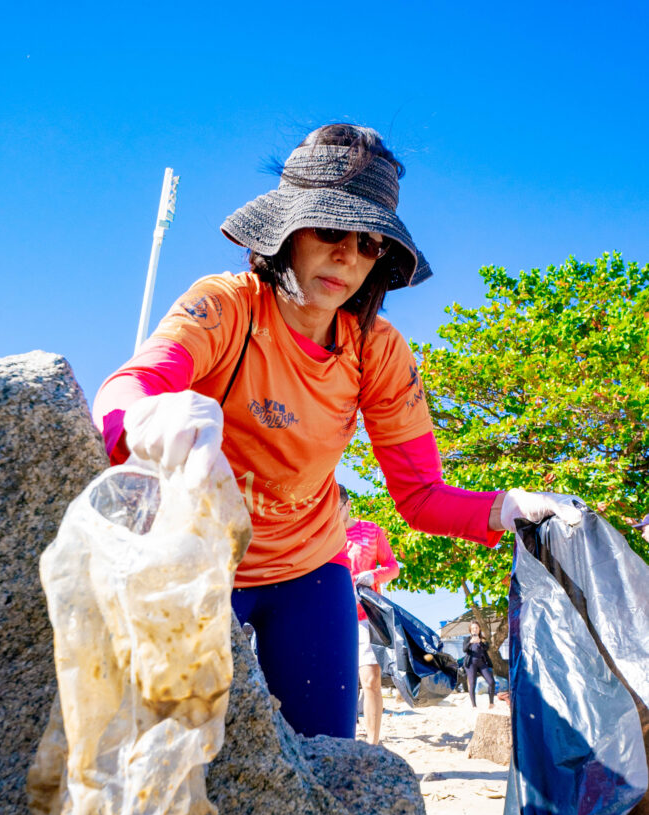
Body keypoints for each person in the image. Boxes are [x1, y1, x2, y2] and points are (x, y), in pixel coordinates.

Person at [93, 122, 582, 741]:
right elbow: (132, 385)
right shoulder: (227, 306)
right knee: (172, 753)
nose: (348, 256)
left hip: (308, 569)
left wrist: (507, 507)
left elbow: (420, 496)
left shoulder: (376, 349)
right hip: (196, 558)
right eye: (329, 230)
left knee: (328, 755)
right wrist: (146, 418)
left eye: (370, 242)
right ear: (286, 232)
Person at [339, 484, 399, 745]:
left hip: (366, 616)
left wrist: (373, 575)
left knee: (371, 680)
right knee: (339, 682)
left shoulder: (371, 530)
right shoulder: (322, 534)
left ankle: (373, 744)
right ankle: (343, 740)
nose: (331, 515)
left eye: (336, 509)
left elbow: (393, 567)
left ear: (348, 505)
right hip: (334, 616)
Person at [462, 621, 496, 710]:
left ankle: (491, 703)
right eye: (473, 628)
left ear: (479, 629)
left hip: (482, 663)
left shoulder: (483, 639)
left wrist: (480, 642)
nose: (475, 629)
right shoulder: (467, 639)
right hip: (470, 664)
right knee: (472, 684)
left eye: (476, 627)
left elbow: (487, 648)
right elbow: (464, 649)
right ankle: (474, 706)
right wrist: (470, 642)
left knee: (491, 682)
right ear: (470, 630)